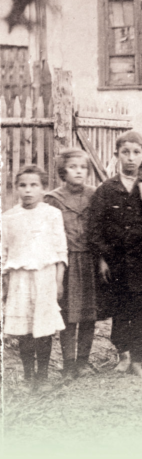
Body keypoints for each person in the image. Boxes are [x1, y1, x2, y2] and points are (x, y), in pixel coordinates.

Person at [87, 131, 142, 380]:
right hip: (115, 265)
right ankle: (123, 354)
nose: (130, 158)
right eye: (125, 152)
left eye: (136, 153)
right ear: (117, 155)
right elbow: (95, 230)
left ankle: (138, 360)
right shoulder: (106, 190)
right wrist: (102, 258)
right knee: (119, 311)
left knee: (140, 312)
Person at [3, 165, 69, 393]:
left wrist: (59, 282)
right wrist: (5, 281)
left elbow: (61, 251)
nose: (28, 191)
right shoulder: (9, 217)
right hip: (19, 279)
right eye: (23, 185)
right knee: (25, 330)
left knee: (43, 328)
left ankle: (42, 377)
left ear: (44, 189)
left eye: (34, 185)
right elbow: (3, 252)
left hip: (45, 278)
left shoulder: (52, 214)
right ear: (16, 188)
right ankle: (28, 377)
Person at [44, 149, 98, 380]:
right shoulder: (53, 199)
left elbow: (100, 230)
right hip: (65, 263)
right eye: (73, 167)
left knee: (89, 313)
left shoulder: (95, 195)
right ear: (62, 171)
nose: (78, 171)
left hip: (90, 261)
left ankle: (83, 362)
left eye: (83, 167)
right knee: (68, 313)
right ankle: (68, 364)